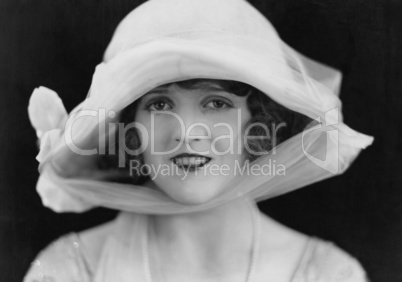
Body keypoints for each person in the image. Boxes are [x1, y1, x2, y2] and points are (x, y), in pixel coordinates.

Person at [24, 0, 374, 281]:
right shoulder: (66, 271)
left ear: (259, 120)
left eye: (217, 103)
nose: (186, 130)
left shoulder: (331, 274)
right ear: (131, 128)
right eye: (160, 104)